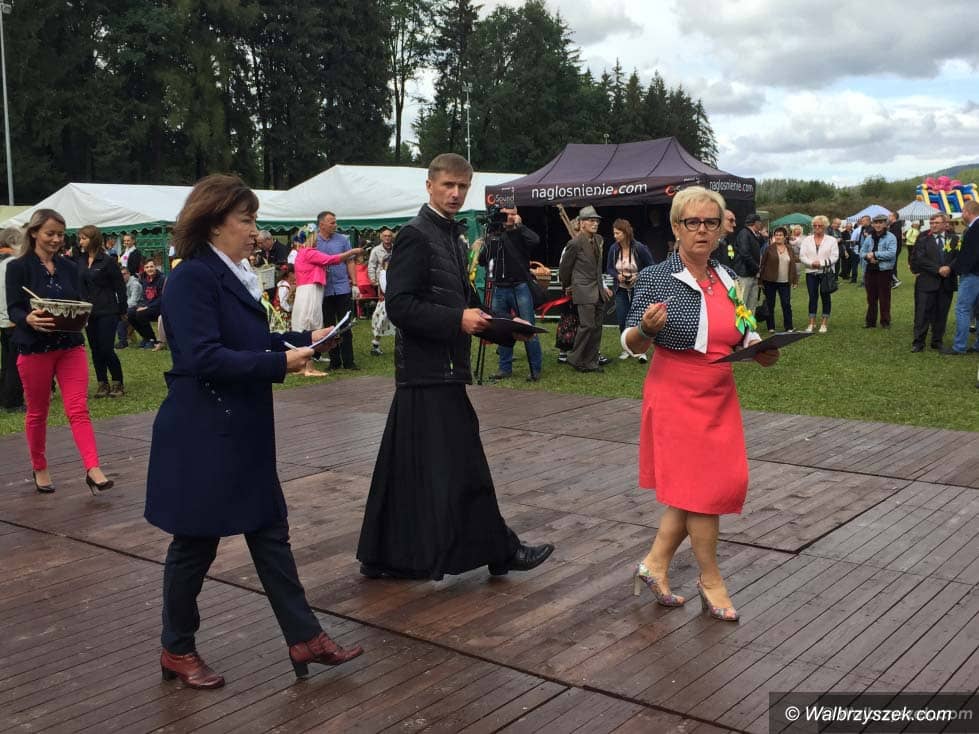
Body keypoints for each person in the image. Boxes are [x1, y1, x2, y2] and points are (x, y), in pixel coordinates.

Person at [145, 174, 362, 690]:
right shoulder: (191, 278)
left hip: (240, 429)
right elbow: (203, 357)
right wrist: (281, 363)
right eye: (246, 220)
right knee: (195, 545)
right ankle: (176, 648)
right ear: (213, 222)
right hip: (204, 431)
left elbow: (247, 340)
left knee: (269, 532)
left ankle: (305, 637)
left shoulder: (231, 273)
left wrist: (305, 337)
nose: (255, 231)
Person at [357, 153, 554, 581]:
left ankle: (382, 555)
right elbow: (400, 306)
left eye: (462, 186)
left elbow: (464, 300)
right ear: (429, 186)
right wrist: (457, 320)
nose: (455, 193)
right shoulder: (416, 235)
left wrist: (504, 328)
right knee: (466, 467)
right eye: (448, 185)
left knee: (405, 468)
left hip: (438, 371)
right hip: (428, 371)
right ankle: (501, 550)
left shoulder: (452, 235)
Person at [620, 186, 777, 621]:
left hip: (719, 393)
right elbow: (629, 341)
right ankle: (711, 580)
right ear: (676, 227)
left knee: (697, 489)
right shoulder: (656, 277)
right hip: (676, 392)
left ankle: (654, 565)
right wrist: (646, 331)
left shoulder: (726, 277)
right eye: (693, 222)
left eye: (711, 222)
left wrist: (759, 348)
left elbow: (743, 328)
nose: (703, 230)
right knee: (703, 493)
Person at [4, 209, 113, 496]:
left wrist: (81, 314)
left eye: (60, 235)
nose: (56, 239)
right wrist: (27, 318)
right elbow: (14, 308)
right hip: (35, 348)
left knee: (78, 408)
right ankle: (39, 466)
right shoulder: (18, 267)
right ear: (34, 233)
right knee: (37, 411)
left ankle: (93, 468)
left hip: (70, 345)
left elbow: (77, 300)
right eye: (50, 233)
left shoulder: (69, 266)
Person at [481, 206, 544, 381]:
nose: (509, 217)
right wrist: (489, 237)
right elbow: (483, 259)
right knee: (501, 327)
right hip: (499, 288)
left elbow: (535, 240)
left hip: (519, 286)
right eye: (506, 214)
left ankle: (535, 369)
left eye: (512, 214)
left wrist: (520, 226)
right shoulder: (495, 235)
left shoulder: (520, 234)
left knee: (528, 326)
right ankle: (504, 368)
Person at [291, 234, 362, 377]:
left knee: (307, 326)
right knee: (309, 326)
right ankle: (308, 367)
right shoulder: (309, 252)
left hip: (309, 290)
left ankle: (305, 365)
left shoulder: (302, 253)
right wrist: (352, 252)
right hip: (310, 291)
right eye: (315, 239)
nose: (317, 241)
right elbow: (331, 259)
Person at [76, 226, 127, 398]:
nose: (81, 241)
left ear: (94, 239)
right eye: (80, 238)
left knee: (106, 348)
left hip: (107, 310)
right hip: (88, 312)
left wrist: (122, 309)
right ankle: (102, 383)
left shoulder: (108, 261)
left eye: (84, 238)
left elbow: (120, 287)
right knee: (95, 349)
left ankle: (118, 381)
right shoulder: (81, 261)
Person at [559, 205, 611, 373]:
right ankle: (575, 358)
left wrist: (603, 286)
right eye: (591, 220)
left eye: (596, 221)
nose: (595, 223)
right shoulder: (574, 243)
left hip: (598, 290)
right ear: (582, 223)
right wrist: (567, 285)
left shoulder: (599, 240)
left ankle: (591, 362)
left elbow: (597, 267)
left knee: (596, 328)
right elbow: (565, 268)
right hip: (583, 289)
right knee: (587, 326)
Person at [315, 211, 359, 370]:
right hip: (323, 289)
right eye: (332, 222)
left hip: (342, 288)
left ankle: (349, 361)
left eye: (335, 222)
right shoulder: (313, 242)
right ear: (322, 224)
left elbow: (350, 262)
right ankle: (334, 361)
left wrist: (355, 283)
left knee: (346, 325)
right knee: (329, 327)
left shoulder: (343, 240)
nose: (335, 225)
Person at [606, 218, 654, 361]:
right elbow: (609, 268)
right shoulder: (613, 249)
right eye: (614, 233)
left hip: (638, 288)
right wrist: (617, 275)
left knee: (638, 318)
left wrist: (638, 276)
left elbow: (651, 266)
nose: (615, 236)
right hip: (620, 288)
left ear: (626, 233)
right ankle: (626, 348)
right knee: (622, 318)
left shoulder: (639, 248)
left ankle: (641, 349)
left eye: (617, 233)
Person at [910, 213, 957, 352]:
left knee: (941, 313)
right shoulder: (923, 239)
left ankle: (937, 341)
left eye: (936, 223)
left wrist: (949, 267)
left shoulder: (954, 239)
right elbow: (920, 258)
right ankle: (918, 342)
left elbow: (958, 256)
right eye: (931, 223)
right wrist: (938, 269)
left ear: (945, 224)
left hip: (946, 282)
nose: (933, 225)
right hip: (927, 281)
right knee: (922, 313)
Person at [944, 200, 979, 355]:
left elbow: (970, 255)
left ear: (967, 212)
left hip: (972, 275)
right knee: (977, 310)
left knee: (962, 309)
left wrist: (956, 269)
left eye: (963, 211)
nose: (962, 215)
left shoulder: (974, 228)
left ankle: (959, 346)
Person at [798, 215, 839, 333]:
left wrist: (820, 264)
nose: (817, 227)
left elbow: (835, 257)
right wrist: (811, 263)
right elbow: (802, 256)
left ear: (825, 226)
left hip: (826, 272)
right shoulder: (807, 240)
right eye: (814, 225)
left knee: (826, 297)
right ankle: (811, 323)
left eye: (819, 225)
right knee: (812, 297)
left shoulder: (832, 240)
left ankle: (824, 323)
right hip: (811, 272)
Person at [0, 227, 25, 412]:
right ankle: (13, 401)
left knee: (6, 360)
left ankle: (3, 398)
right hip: (13, 318)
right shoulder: (14, 263)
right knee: (15, 363)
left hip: (2, 319)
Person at [757, 226, 798, 332]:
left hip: (785, 282)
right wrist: (760, 281)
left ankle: (789, 326)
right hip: (770, 281)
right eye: (776, 235)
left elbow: (793, 265)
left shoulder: (789, 248)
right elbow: (763, 265)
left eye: (780, 235)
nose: (778, 237)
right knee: (770, 304)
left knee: (786, 304)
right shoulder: (769, 248)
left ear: (785, 237)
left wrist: (794, 280)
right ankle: (771, 327)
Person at [860, 214, 898, 328]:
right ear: (872, 224)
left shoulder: (891, 237)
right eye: (876, 223)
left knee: (884, 297)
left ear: (885, 224)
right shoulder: (869, 237)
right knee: (871, 298)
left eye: (881, 222)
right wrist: (868, 257)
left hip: (884, 271)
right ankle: (870, 322)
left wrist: (875, 254)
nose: (878, 225)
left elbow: (891, 253)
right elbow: (862, 251)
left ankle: (885, 321)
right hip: (870, 270)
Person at [367, 227, 394, 356]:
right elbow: (371, 266)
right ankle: (375, 344)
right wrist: (373, 280)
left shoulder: (397, 249)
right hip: (382, 285)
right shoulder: (376, 250)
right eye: (385, 236)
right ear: (381, 237)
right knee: (382, 316)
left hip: (396, 283)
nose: (387, 238)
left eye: (389, 236)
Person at [128, 259, 166, 347]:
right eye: (147, 267)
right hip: (148, 306)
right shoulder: (145, 280)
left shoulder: (162, 279)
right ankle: (146, 337)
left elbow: (162, 298)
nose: (149, 269)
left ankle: (152, 339)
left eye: (151, 266)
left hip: (159, 307)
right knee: (130, 313)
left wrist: (147, 306)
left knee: (140, 314)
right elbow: (144, 297)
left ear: (156, 267)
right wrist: (140, 306)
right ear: (144, 269)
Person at [733, 213, 763, 311]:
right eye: (760, 222)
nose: (761, 225)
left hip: (752, 274)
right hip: (744, 274)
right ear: (755, 223)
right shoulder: (744, 234)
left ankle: (750, 322)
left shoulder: (753, 235)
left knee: (752, 304)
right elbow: (745, 254)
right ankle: (741, 322)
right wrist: (757, 268)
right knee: (743, 303)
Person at [116, 266, 143, 348]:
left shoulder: (135, 284)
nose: (122, 276)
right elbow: (117, 299)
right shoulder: (120, 284)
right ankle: (126, 339)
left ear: (129, 274)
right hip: (128, 307)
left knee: (121, 316)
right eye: (120, 275)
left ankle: (122, 341)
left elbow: (133, 301)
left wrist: (122, 309)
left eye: (124, 274)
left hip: (139, 306)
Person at [888, 212, 904, 288]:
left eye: (890, 216)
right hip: (893, 248)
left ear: (894, 217)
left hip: (894, 248)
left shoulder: (896, 226)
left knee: (891, 265)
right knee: (891, 265)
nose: (888, 217)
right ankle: (892, 281)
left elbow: (895, 237)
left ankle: (895, 281)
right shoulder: (893, 225)